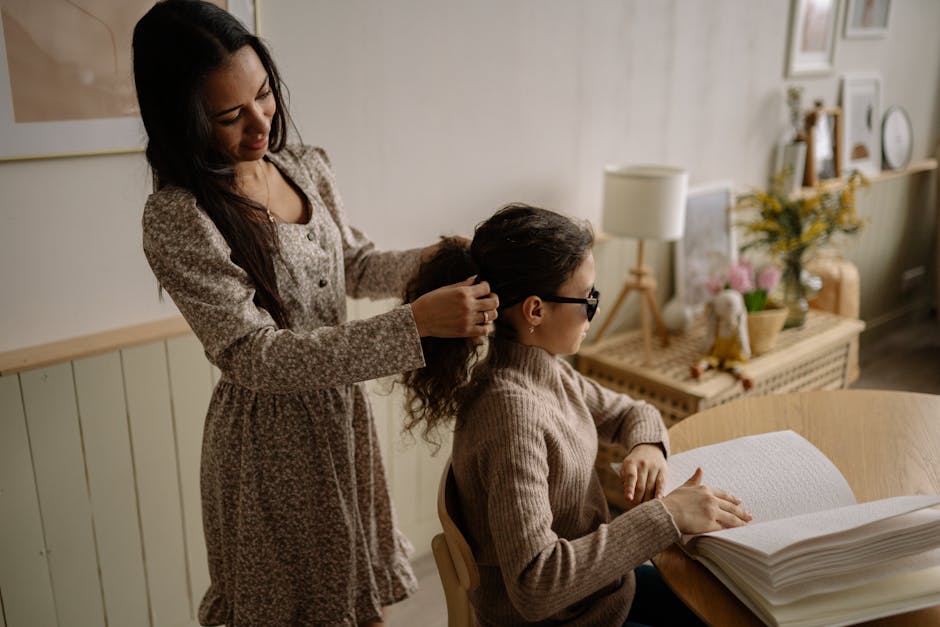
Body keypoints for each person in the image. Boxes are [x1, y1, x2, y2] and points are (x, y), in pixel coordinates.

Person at [132, 1, 498, 624]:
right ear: (180, 121)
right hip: (269, 443)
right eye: (229, 116)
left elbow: (354, 265)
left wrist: (446, 257)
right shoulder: (180, 218)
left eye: (265, 95)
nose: (261, 125)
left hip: (341, 418)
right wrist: (414, 325)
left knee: (360, 604)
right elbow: (256, 355)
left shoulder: (303, 167)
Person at [401, 204, 752, 626]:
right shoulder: (513, 417)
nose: (596, 310)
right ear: (535, 311)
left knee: (732, 598)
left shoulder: (544, 371)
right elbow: (536, 583)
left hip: (602, 593)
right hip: (571, 616)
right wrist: (667, 515)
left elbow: (633, 411)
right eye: (588, 298)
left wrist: (647, 446)